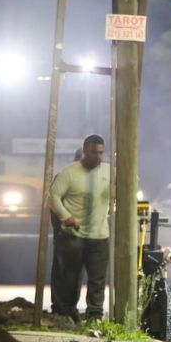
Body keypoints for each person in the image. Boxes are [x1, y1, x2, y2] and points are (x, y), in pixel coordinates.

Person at [50, 135, 111, 322]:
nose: (98, 157)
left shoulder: (110, 171)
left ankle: (95, 315)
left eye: (101, 153)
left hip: (99, 235)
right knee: (69, 276)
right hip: (72, 236)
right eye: (94, 153)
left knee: (98, 279)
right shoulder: (68, 173)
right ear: (85, 152)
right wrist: (66, 218)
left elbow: (132, 181)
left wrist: (120, 189)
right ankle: (65, 312)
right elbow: (53, 197)